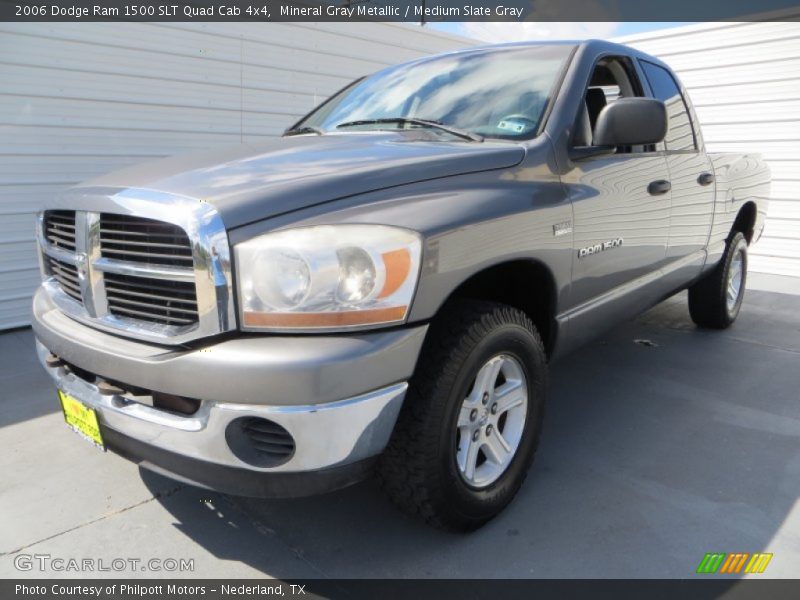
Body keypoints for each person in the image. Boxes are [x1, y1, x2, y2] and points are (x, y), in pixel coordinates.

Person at [211, 246, 229, 330]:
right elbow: (223, 266)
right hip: (221, 284)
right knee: (224, 310)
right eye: (214, 249)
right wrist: (219, 255)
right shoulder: (217, 257)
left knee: (220, 310)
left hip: (217, 285)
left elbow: (213, 271)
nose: (214, 251)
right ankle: (224, 330)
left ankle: (221, 329)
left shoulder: (213, 258)